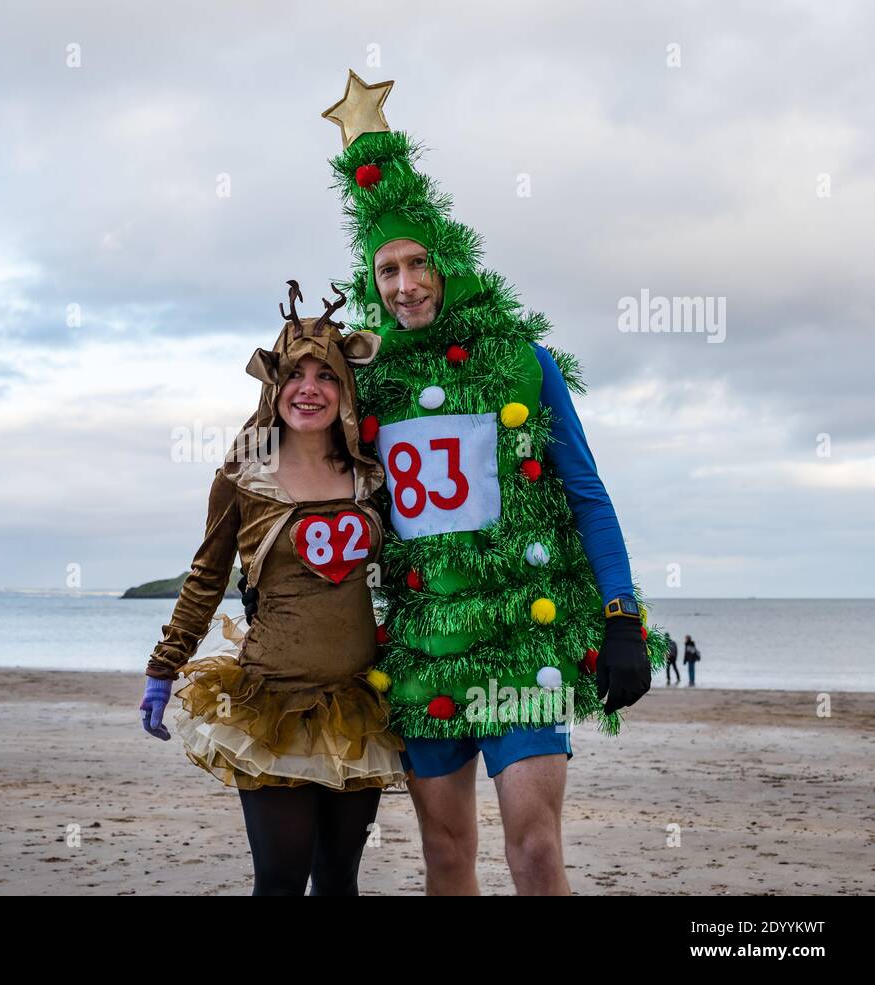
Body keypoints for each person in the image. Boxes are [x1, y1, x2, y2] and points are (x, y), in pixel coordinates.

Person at [318, 69, 666, 896]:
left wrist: (623, 615)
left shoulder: (520, 360)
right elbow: (322, 486)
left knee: (536, 853)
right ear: (372, 282)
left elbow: (587, 492)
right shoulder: (369, 381)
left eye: (416, 263)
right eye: (386, 271)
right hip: (422, 642)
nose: (404, 285)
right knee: (446, 860)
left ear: (447, 261)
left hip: (518, 639)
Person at [139, 280, 406, 896]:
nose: (309, 388)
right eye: (295, 374)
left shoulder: (371, 469)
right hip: (271, 704)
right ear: (274, 385)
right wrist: (164, 666)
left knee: (340, 881)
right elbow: (206, 575)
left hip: (358, 705)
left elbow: (411, 566)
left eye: (326, 375)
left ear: (345, 385)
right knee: (281, 880)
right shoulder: (243, 471)